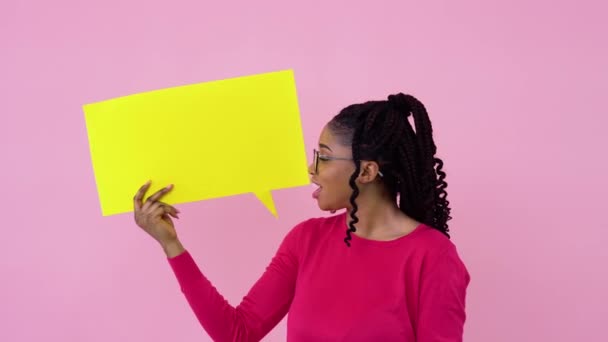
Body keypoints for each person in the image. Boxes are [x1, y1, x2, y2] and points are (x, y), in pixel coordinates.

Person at [132, 93, 470, 341]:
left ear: (366, 171)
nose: (312, 168)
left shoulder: (433, 257)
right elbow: (238, 332)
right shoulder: (306, 240)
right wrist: (171, 244)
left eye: (323, 156)